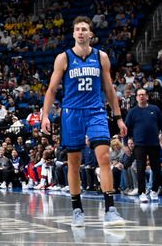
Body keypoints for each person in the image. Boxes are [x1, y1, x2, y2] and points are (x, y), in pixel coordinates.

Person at [41, 16, 126, 227]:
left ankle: (110, 209)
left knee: (104, 157)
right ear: (73, 34)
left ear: (90, 34)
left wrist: (118, 117)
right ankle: (77, 208)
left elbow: (109, 89)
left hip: (96, 111)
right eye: (77, 29)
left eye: (84, 29)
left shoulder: (101, 57)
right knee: (74, 162)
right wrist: (45, 115)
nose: (80, 32)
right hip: (72, 114)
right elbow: (51, 89)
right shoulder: (64, 58)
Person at [124, 87, 162, 202]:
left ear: (147, 96)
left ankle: (154, 191)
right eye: (139, 95)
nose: (141, 96)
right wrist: (125, 144)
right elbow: (125, 129)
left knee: (156, 168)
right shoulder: (132, 112)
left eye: (143, 94)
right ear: (136, 98)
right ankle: (142, 193)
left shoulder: (155, 109)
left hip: (154, 144)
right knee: (140, 169)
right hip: (139, 145)